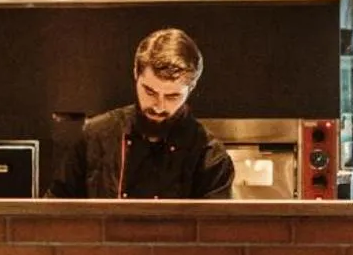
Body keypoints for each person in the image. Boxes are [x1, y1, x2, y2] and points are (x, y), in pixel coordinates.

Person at [47, 28, 234, 200]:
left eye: (172, 96)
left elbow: (214, 232)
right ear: (136, 73)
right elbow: (54, 210)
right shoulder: (96, 136)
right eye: (150, 92)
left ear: (191, 88)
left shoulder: (210, 156)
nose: (159, 106)